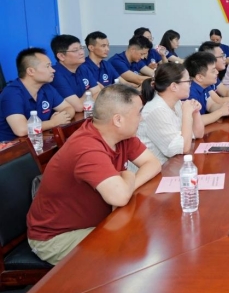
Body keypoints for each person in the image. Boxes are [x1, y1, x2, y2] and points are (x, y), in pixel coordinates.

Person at [26, 84, 161, 265]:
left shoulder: (121, 136)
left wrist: (127, 183)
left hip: (98, 221)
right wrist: (127, 175)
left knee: (144, 235)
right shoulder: (87, 148)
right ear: (118, 120)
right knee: (130, 251)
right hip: (57, 237)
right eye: (138, 113)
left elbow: (152, 164)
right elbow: (119, 197)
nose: (142, 118)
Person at [0, 48, 75, 141]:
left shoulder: (46, 87)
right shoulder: (12, 94)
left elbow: (69, 108)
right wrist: (53, 122)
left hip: (41, 140)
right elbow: (21, 130)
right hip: (14, 147)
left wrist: (61, 118)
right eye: (47, 66)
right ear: (31, 71)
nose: (53, 70)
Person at [137, 63, 204, 166]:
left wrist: (195, 112)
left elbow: (198, 134)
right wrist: (187, 113)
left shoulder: (175, 103)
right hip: (156, 171)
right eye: (188, 81)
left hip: (171, 165)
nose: (190, 85)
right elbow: (183, 148)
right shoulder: (157, 110)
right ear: (174, 86)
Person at [185, 52, 229, 126]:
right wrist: (221, 112)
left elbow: (211, 106)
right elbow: (194, 121)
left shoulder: (204, 86)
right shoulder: (189, 92)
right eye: (213, 71)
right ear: (200, 77)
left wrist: (227, 107)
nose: (217, 72)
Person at [50, 34, 100, 113]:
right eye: (75, 50)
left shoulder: (83, 68)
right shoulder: (55, 74)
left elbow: (99, 93)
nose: (82, 52)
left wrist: (85, 98)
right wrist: (89, 92)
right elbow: (79, 107)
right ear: (61, 56)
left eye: (81, 48)